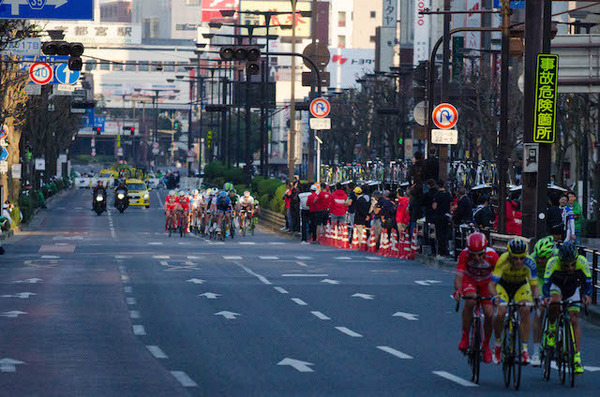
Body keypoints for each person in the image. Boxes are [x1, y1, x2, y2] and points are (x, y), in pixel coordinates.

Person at [543, 241, 592, 374]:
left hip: (571, 289)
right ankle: (552, 330)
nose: (570, 268)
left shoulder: (582, 261)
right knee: (555, 302)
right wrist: (547, 297)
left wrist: (587, 295)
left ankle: (576, 357)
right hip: (556, 287)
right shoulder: (553, 263)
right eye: (566, 265)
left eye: (572, 264)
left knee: (574, 319)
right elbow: (546, 285)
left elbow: (588, 283)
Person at [489, 238, 540, 365]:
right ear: (509, 255)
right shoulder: (503, 260)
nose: (519, 261)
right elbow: (492, 284)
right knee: (501, 312)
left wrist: (537, 299)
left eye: (522, 258)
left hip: (520, 286)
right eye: (515, 258)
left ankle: (524, 349)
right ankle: (498, 344)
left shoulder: (530, 263)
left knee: (525, 310)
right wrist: (495, 297)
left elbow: (534, 286)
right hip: (503, 285)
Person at [453, 232, 499, 364]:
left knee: (489, 314)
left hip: (486, 283)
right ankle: (465, 336)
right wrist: (459, 291)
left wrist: (497, 295)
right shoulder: (464, 254)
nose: (477, 258)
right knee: (471, 300)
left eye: (480, 254)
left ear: (485, 250)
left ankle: (485, 346)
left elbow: (499, 278)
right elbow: (459, 276)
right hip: (470, 280)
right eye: (473, 254)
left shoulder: (493, 256)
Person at [529, 236, 557, 366]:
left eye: (544, 258)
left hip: (554, 279)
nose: (541, 260)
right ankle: (536, 352)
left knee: (557, 304)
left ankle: (553, 327)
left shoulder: (557, 257)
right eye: (539, 257)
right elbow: (529, 281)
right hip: (539, 280)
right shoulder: (532, 259)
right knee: (539, 310)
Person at [432, 180, 451, 258]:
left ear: (437, 186)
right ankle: (446, 251)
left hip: (438, 216)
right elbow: (450, 205)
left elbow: (434, 206)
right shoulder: (448, 194)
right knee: (445, 234)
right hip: (446, 216)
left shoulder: (437, 195)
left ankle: (440, 251)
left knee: (439, 234)